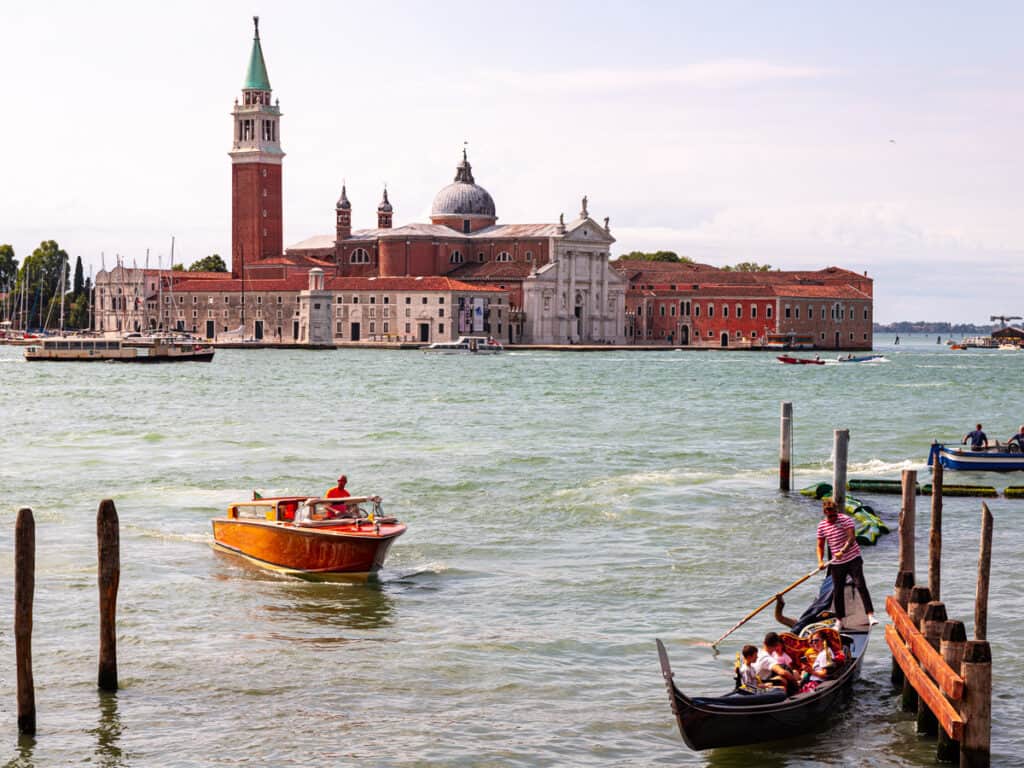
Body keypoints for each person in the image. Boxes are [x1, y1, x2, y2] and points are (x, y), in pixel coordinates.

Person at [817, 499, 878, 629]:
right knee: (837, 591)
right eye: (830, 516)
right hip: (837, 563)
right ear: (825, 513)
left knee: (860, 584)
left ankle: (870, 615)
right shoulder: (822, 526)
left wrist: (842, 550)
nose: (833, 518)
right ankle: (839, 620)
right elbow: (820, 545)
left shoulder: (845, 520)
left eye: (834, 515)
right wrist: (820, 561)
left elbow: (851, 538)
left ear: (837, 512)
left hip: (853, 558)